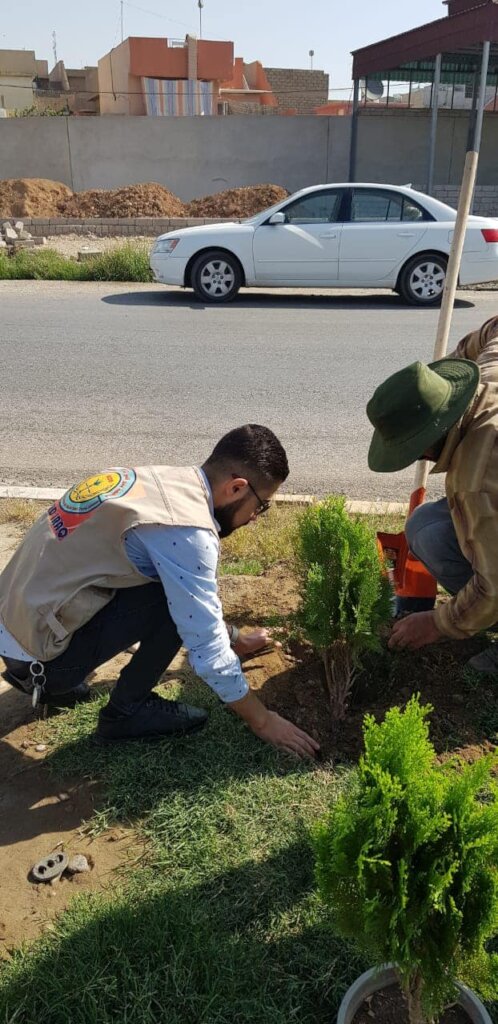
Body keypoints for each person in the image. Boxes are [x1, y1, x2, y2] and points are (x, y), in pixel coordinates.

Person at [0, 424, 319, 759]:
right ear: (237, 488)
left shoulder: (156, 481)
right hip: (41, 660)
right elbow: (206, 651)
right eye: (261, 505)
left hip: (16, 625)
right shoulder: (185, 531)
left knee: (166, 587)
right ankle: (125, 713)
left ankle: (51, 678)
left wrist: (235, 639)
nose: (255, 517)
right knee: (167, 604)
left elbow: (186, 597)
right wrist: (264, 721)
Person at [366, 315, 498, 671]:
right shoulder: (491, 363)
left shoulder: (476, 479)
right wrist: (450, 370)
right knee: (427, 525)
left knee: (437, 536)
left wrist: (438, 623)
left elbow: (495, 585)